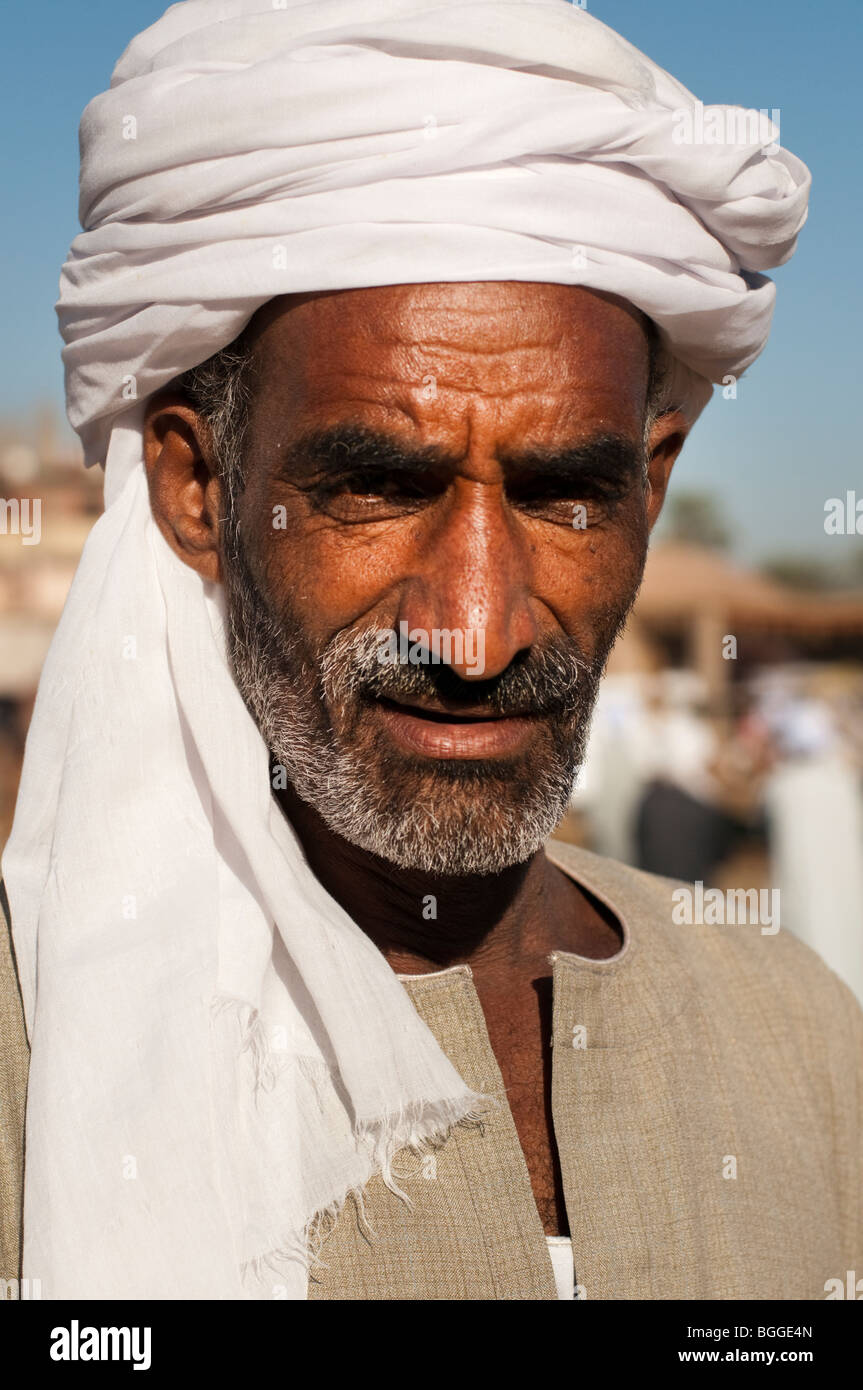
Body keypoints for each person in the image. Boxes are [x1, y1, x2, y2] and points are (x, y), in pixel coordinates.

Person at [1, 0, 859, 1302]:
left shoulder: (797, 1030)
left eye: (564, 491)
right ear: (196, 487)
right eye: (379, 488)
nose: (478, 628)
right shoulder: (26, 1050)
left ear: (652, 483)